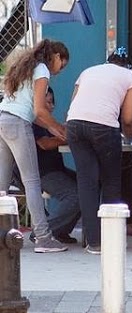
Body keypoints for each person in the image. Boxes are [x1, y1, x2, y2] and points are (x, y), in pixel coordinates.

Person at [66, 47, 132, 255]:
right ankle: (110, 237)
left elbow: (74, 104)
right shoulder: (129, 77)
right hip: (104, 128)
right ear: (127, 65)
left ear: (108, 61)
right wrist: (127, 138)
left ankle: (93, 242)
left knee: (87, 183)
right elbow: (128, 118)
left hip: (74, 125)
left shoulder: (88, 71)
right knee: (111, 181)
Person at [0, 39, 70, 253]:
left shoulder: (26, 68)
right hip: (18, 124)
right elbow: (39, 110)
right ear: (56, 56)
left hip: (3, 120)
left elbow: (33, 112)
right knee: (32, 181)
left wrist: (55, 129)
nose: (60, 71)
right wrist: (59, 126)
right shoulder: (42, 70)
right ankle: (43, 238)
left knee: (1, 186)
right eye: (62, 65)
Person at [32, 87, 80, 244]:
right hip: (44, 173)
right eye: (47, 102)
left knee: (89, 186)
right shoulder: (34, 123)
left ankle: (61, 231)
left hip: (58, 170)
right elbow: (44, 144)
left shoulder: (50, 124)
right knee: (74, 195)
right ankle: (43, 233)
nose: (51, 106)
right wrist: (67, 137)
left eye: (52, 102)